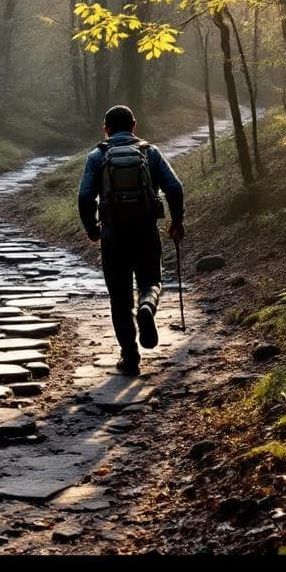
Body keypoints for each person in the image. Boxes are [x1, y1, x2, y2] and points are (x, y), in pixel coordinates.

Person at [77, 105, 185, 375]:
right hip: (146, 232)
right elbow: (174, 186)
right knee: (151, 281)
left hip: (113, 236)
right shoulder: (150, 153)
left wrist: (92, 229)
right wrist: (177, 220)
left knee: (119, 297)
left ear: (106, 129)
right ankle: (147, 306)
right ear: (134, 125)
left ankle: (130, 356)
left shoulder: (97, 156)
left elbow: (85, 196)